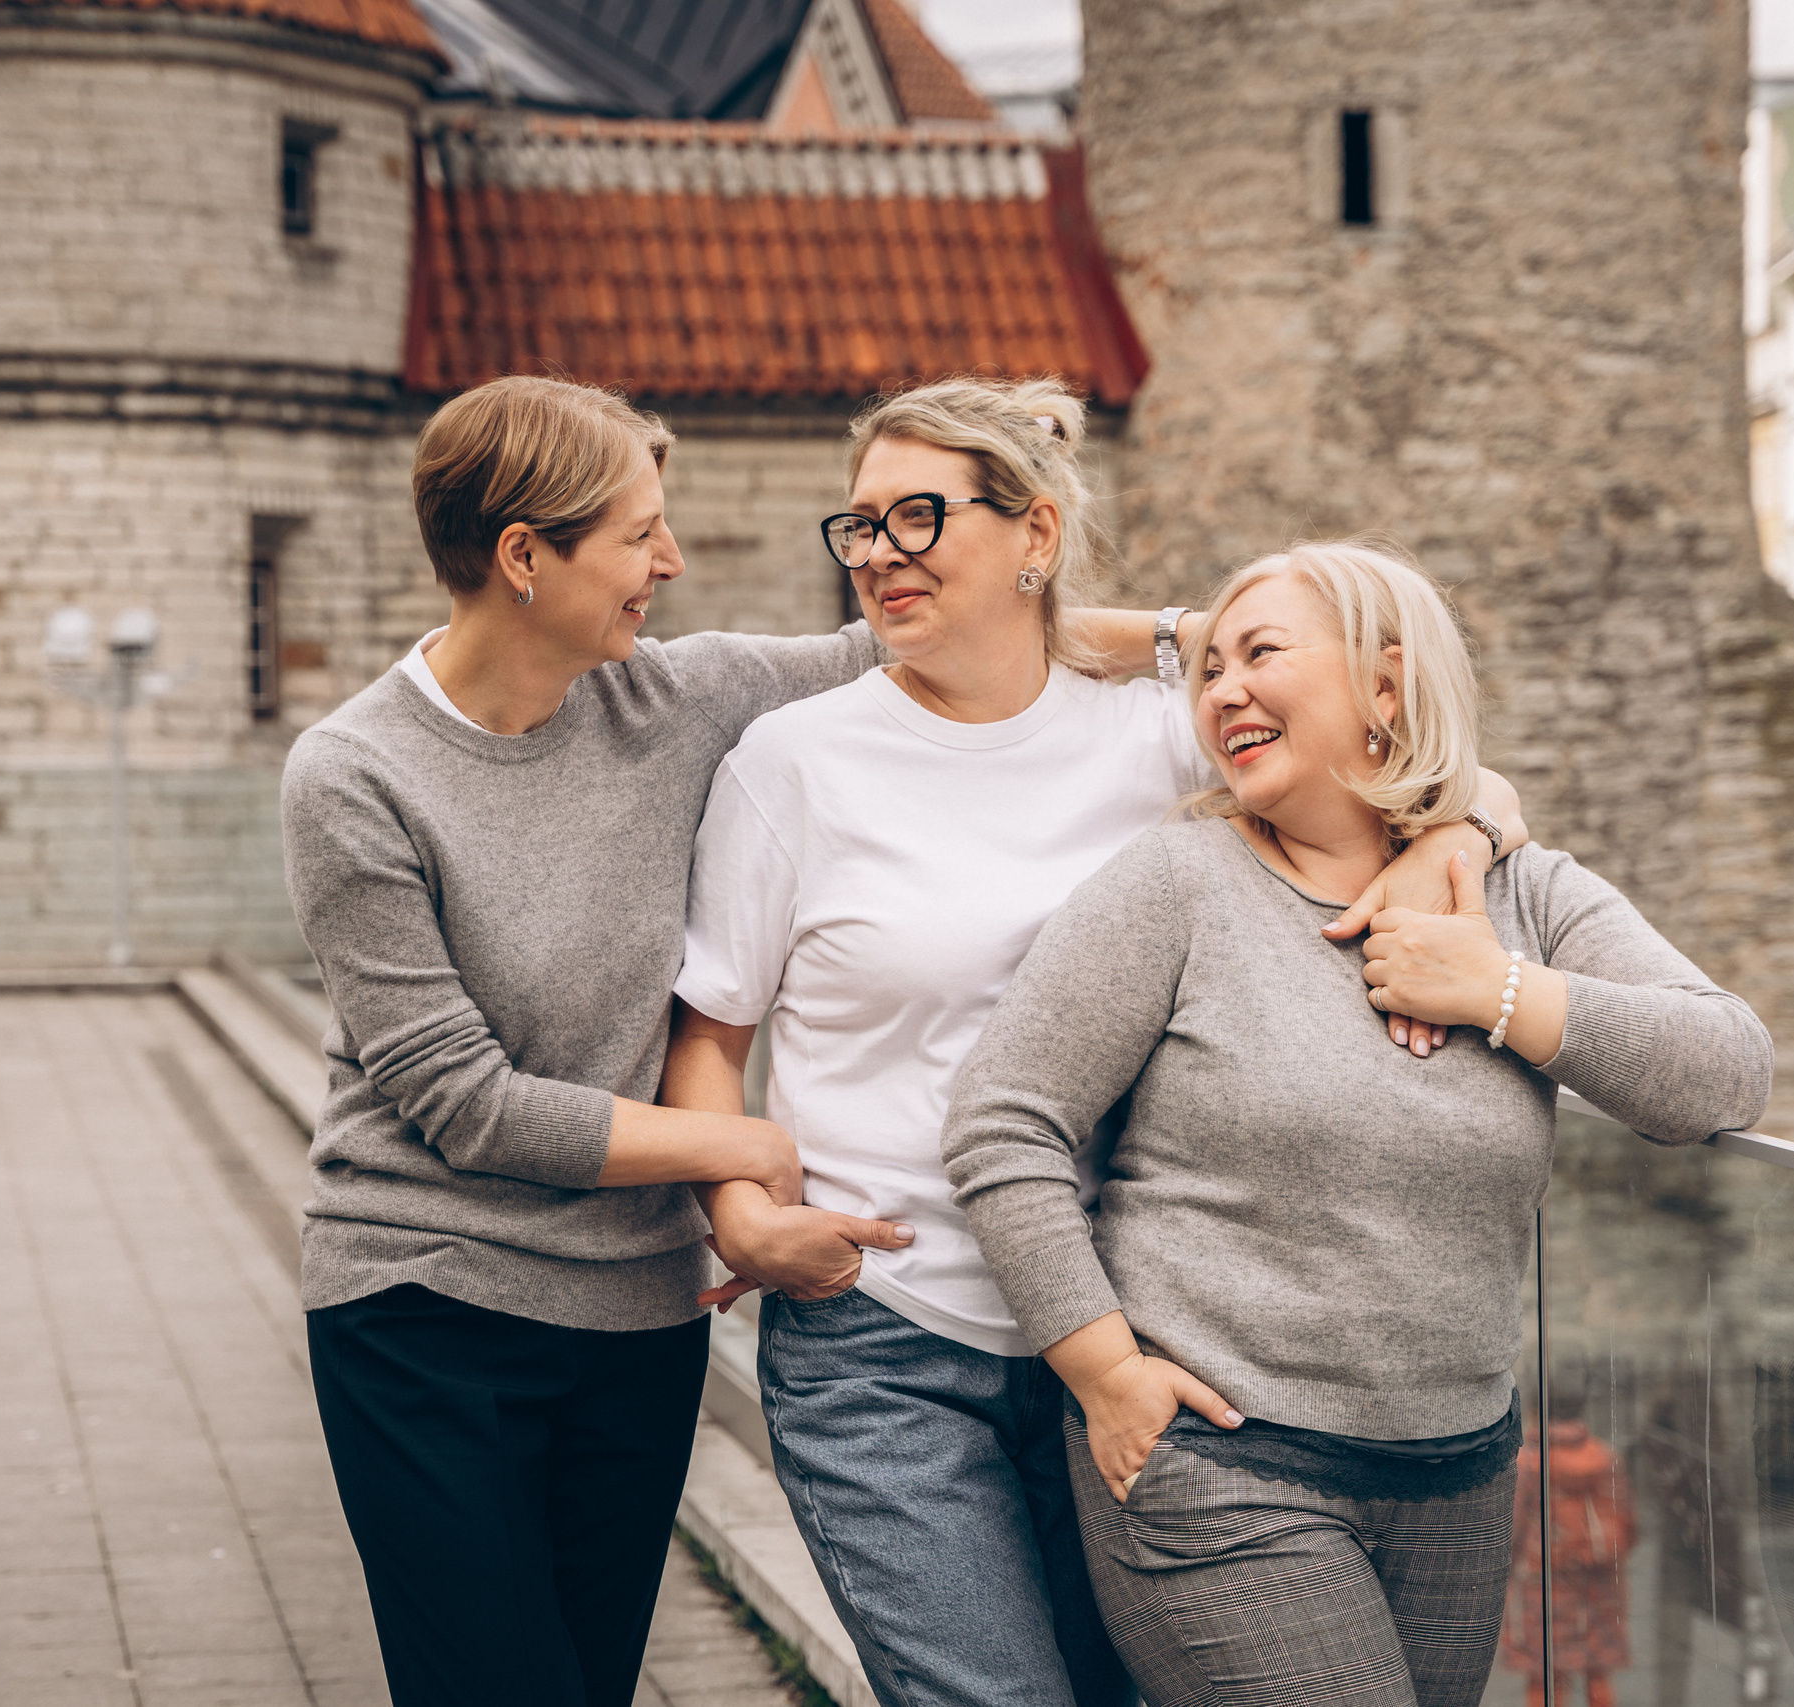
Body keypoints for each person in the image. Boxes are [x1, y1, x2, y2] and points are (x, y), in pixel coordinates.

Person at [279, 375, 1195, 1707]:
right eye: (640, 533)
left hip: (634, 1308)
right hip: (429, 1297)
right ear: (527, 558)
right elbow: (462, 1103)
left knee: (585, 1678)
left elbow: (956, 635)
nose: (674, 559)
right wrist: (753, 1153)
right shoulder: (357, 773)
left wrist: (1224, 639)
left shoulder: (678, 697)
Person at [657, 387, 1528, 1707]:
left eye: (919, 516)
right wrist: (737, 1213)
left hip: (1124, 1323)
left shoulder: (1154, 733)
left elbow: (1408, 761)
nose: (880, 551)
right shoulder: (794, 762)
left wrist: (1455, 841)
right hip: (884, 1333)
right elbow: (711, 1033)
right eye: (861, 525)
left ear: (1036, 534)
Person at [942, 539, 1773, 1707]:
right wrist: (1104, 1369)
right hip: (1220, 1468)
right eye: (1210, 668)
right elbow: (1001, 1124)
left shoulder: (1523, 890)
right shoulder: (1176, 886)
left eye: (1261, 654)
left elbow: (1726, 1071)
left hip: (1460, 1476)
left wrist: (1495, 990)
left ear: (1384, 687)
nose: (1222, 688)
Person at [1502, 1388, 1637, 1707]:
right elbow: (1629, 1522)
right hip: (1597, 1580)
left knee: (1544, 1676)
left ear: (1536, 1411)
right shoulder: (1603, 1456)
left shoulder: (1528, 1460)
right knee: (1597, 1671)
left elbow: (1513, 1523)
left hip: (1541, 1580)